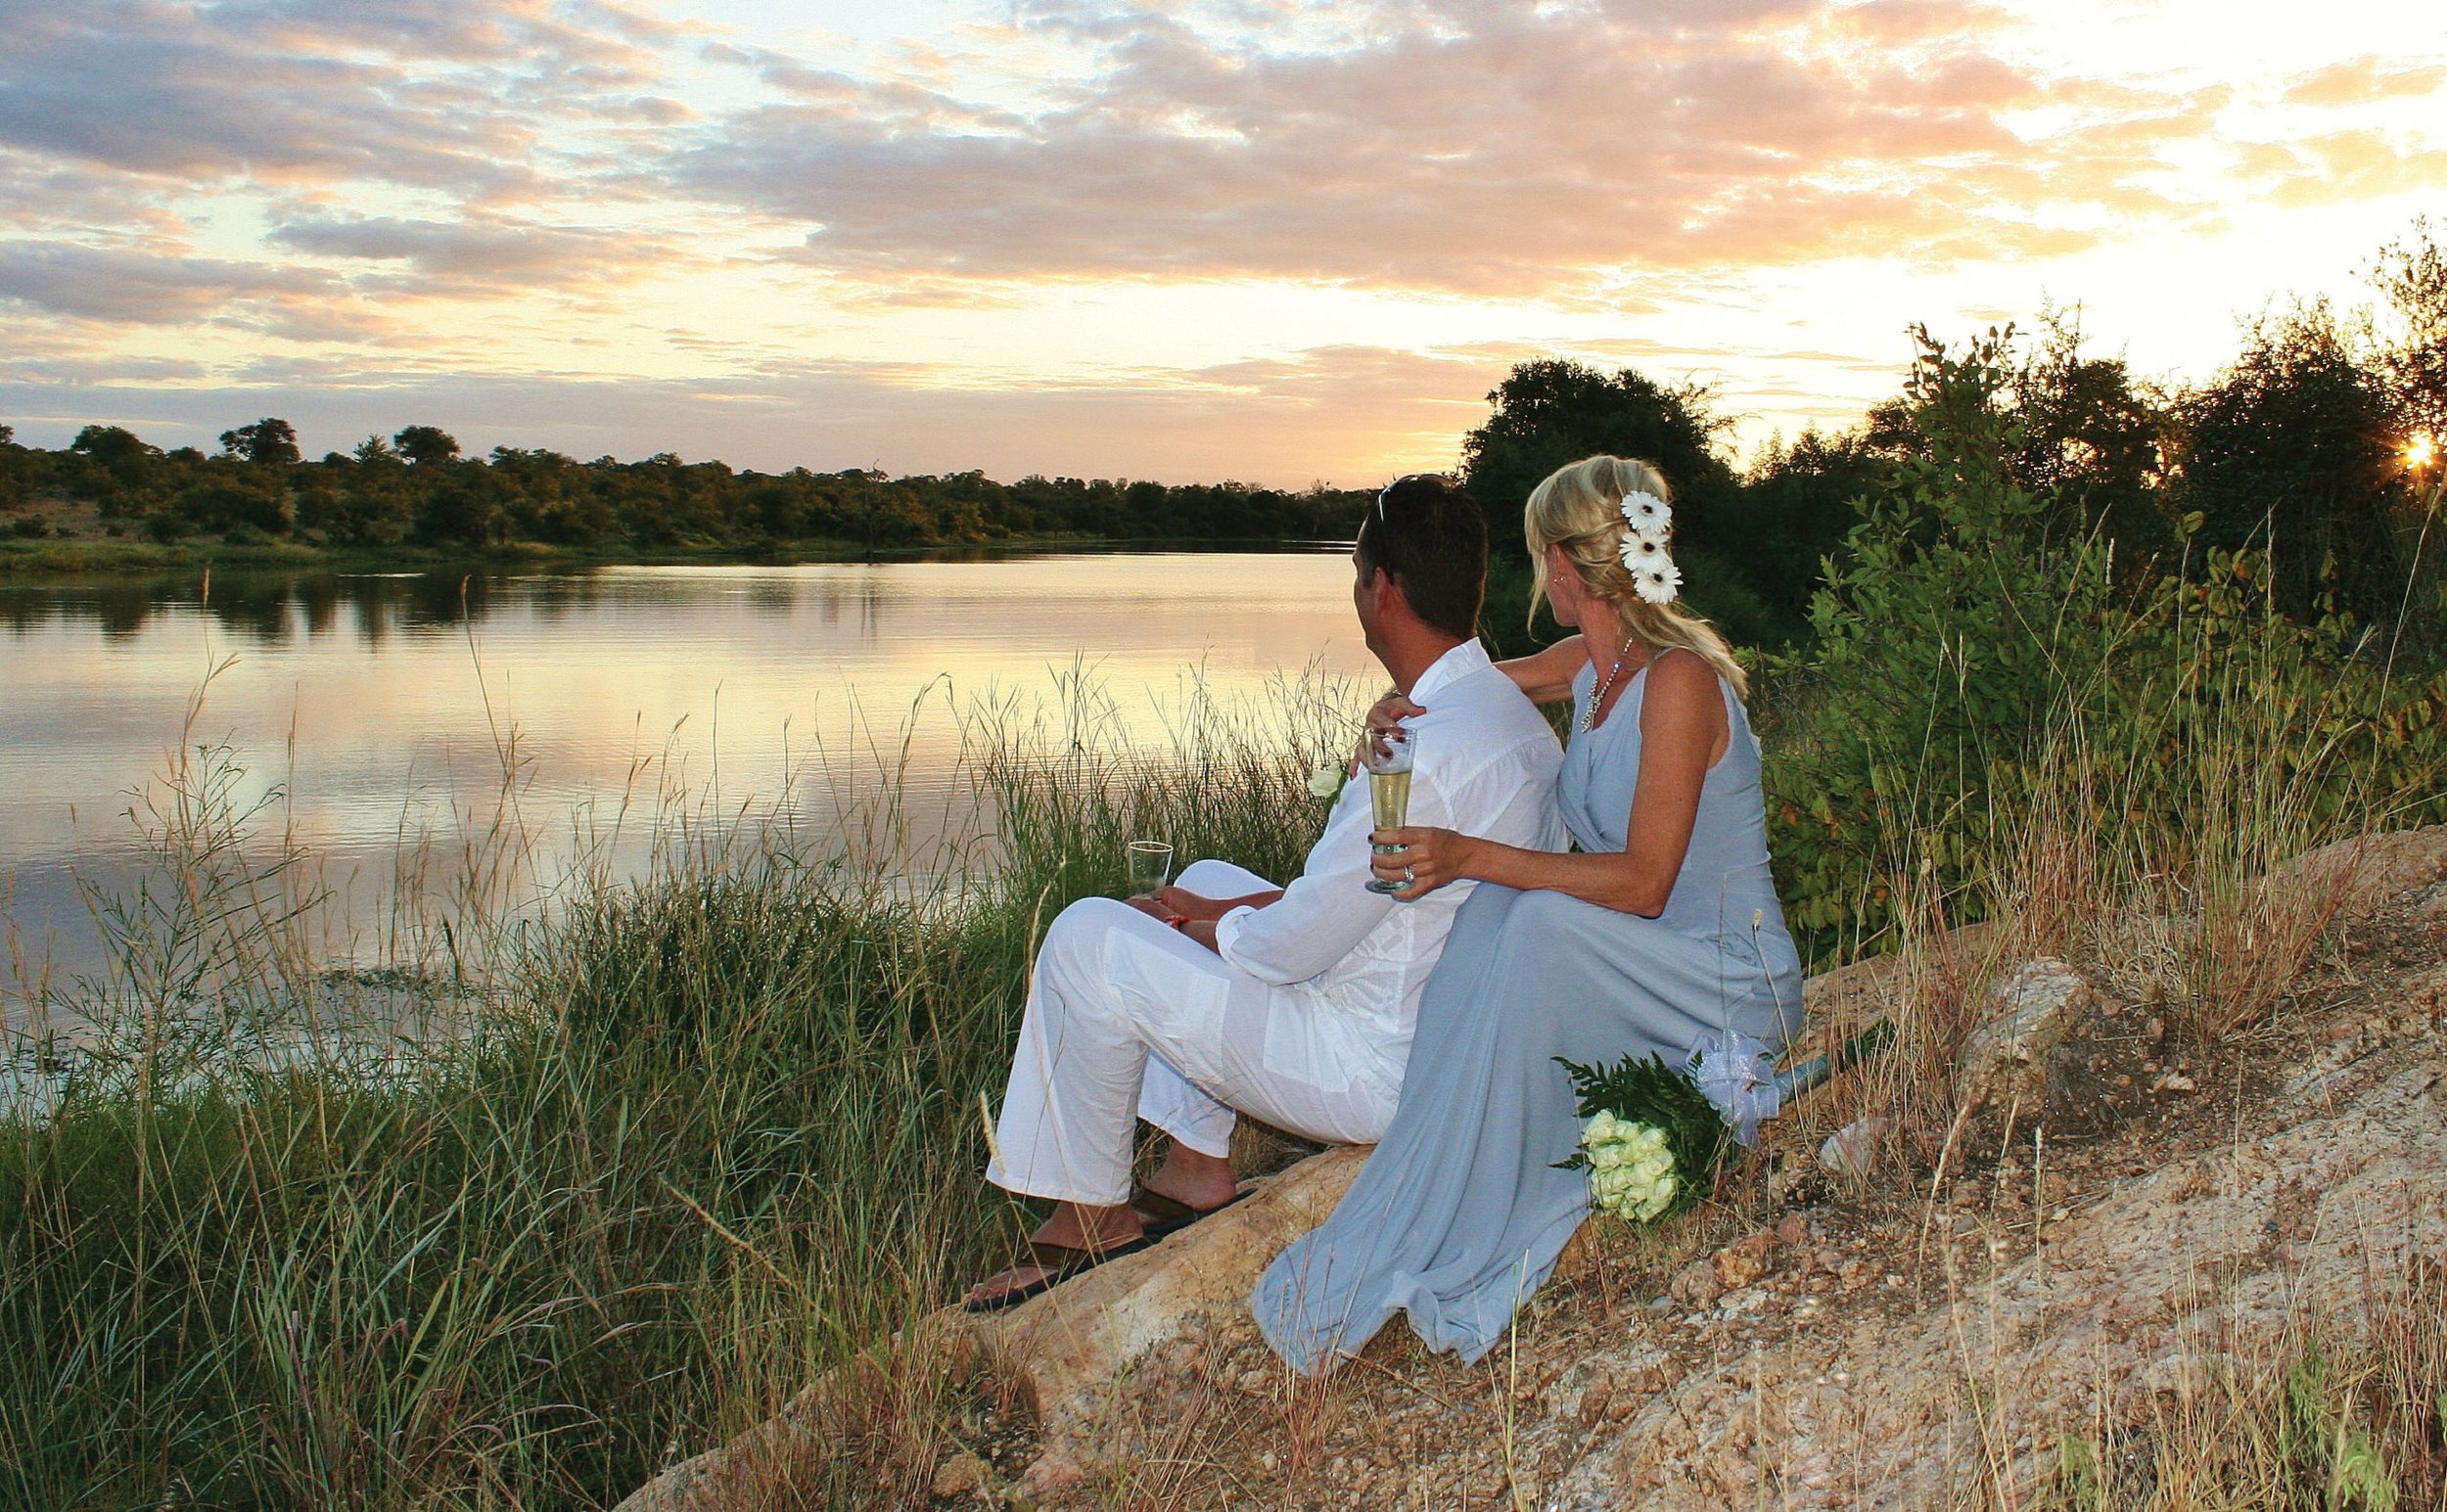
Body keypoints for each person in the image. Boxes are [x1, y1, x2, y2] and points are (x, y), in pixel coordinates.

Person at [1251, 454, 1804, 1370]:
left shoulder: (1676, 683)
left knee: (1530, 911)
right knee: (1490, 913)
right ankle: (1443, 1129)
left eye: (1536, 551)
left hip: (1721, 973)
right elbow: (1481, 684)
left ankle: (1477, 1185)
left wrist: (1468, 853)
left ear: (1561, 561)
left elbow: (1645, 883)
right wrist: (1398, 710)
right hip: (1642, 957)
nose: (1531, 568)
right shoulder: (1596, 667)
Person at [966, 475, 1566, 1310]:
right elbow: (1362, 903)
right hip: (1430, 1013)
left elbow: (1294, 948)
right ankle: (1197, 1166)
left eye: (1357, 572)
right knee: (1209, 880)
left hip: (1371, 1062)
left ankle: (1087, 1218)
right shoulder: (1499, 716)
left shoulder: (1418, 748)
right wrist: (1207, 911)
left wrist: (1202, 932)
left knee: (1086, 938)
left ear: (1381, 589)